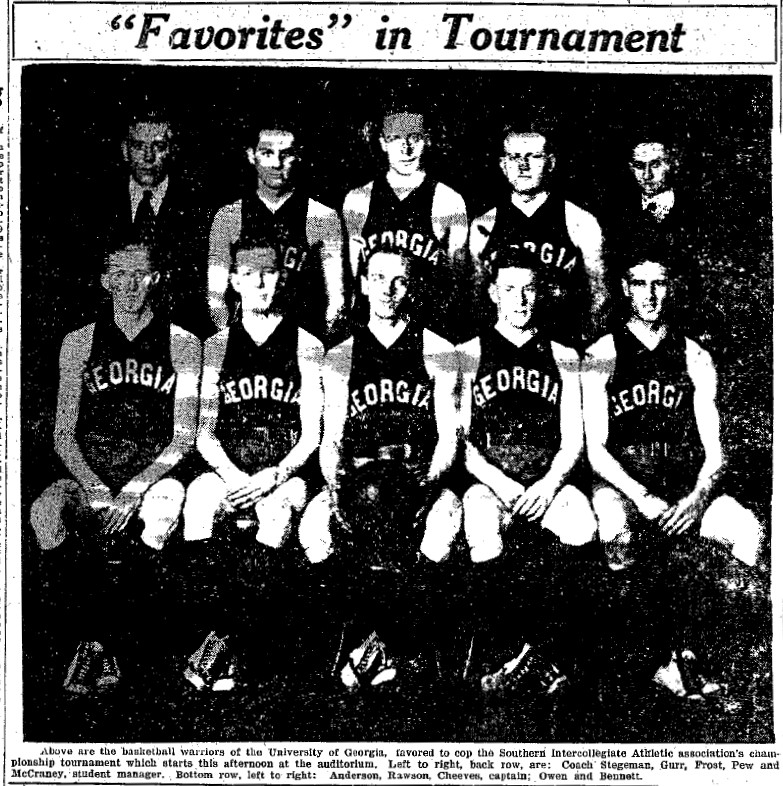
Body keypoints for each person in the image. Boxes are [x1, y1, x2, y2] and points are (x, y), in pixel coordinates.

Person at [582, 255, 765, 699]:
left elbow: (717, 454)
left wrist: (697, 501)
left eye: (659, 283)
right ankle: (649, 658)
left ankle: (711, 652)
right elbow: (597, 450)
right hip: (625, 487)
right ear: (625, 288)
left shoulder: (694, 355)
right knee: (614, 525)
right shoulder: (602, 353)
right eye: (640, 283)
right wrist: (641, 496)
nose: (649, 294)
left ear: (672, 287)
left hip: (684, 490)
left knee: (747, 530)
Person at [29, 243, 201, 694]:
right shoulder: (79, 340)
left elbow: (183, 436)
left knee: (162, 513)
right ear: (104, 280)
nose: (128, 284)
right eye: (118, 274)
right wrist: (97, 488)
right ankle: (92, 639)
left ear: (157, 279)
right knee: (44, 513)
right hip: (91, 474)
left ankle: (130, 649)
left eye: (139, 274)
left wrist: (134, 490)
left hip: (153, 474)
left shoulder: (183, 342)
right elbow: (63, 435)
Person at [299, 247, 461, 688]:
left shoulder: (438, 349)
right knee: (312, 530)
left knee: (443, 527)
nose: (389, 290)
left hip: (416, 476)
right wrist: (335, 490)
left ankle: (390, 643)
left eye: (400, 280)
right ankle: (366, 640)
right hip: (358, 479)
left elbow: (449, 436)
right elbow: (331, 439)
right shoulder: (341, 355)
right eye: (379, 278)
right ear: (364, 283)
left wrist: (425, 486)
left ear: (412, 287)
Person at [181, 241, 324, 691]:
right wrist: (235, 477)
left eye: (269, 272)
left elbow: (311, 435)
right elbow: (202, 431)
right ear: (233, 281)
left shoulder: (308, 344)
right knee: (199, 501)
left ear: (282, 278)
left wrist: (274, 475)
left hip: (285, 473)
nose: (261, 282)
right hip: (230, 469)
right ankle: (214, 636)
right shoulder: (216, 346)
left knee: (278, 513)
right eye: (249, 273)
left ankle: (232, 648)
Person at [458, 246, 597, 693]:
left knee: (583, 523)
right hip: (490, 482)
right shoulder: (468, 353)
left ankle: (541, 650)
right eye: (510, 289)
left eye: (529, 289)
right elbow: (463, 445)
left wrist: (548, 484)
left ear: (543, 294)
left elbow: (574, 440)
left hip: (547, 481)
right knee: (480, 521)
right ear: (494, 292)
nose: (520, 299)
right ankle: (508, 647)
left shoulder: (565, 355)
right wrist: (501, 483)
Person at [469, 121, 607, 348]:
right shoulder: (483, 225)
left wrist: (581, 347)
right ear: (503, 165)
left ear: (550, 163)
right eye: (514, 157)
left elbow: (599, 297)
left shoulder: (581, 222)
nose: (523, 166)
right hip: (501, 354)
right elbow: (476, 301)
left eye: (533, 156)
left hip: (562, 351)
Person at [207, 118, 346, 343]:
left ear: (298, 156)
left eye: (286, 153)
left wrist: (314, 348)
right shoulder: (229, 216)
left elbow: (336, 302)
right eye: (267, 153)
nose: (276, 163)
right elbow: (215, 299)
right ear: (252, 155)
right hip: (246, 343)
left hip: (302, 346)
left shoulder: (322, 216)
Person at [343, 108, 469, 342]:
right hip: (374, 328)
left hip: (429, 330)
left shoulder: (448, 200)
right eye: (396, 138)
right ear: (382, 142)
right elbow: (352, 275)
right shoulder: (358, 199)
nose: (406, 148)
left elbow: (457, 283)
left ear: (427, 140)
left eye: (415, 138)